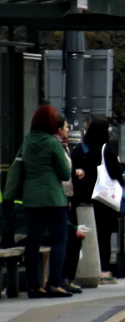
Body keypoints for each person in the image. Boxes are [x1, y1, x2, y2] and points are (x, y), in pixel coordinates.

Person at [16, 105, 72, 298]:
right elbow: (65, 173)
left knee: (33, 241)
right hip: (53, 198)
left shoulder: (28, 142)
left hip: (31, 198)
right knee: (59, 240)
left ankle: (34, 285)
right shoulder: (52, 143)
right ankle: (53, 283)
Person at [71, 117, 124, 285]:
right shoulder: (106, 151)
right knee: (104, 235)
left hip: (82, 199)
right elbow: (116, 173)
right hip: (103, 200)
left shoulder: (79, 150)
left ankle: (81, 268)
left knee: (83, 234)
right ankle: (103, 270)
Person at [56, 115, 86, 294]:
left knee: (74, 237)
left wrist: (74, 174)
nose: (68, 129)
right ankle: (62, 278)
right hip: (61, 197)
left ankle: (67, 277)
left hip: (68, 195)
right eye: (66, 127)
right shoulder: (56, 146)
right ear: (59, 129)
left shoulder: (64, 146)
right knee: (71, 236)